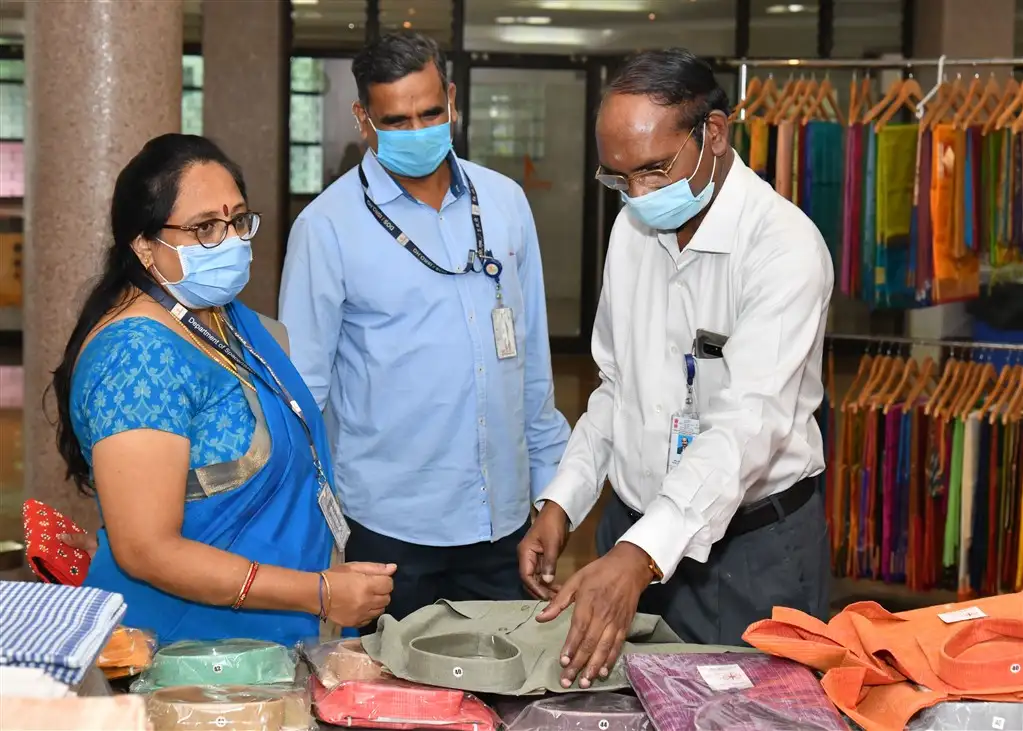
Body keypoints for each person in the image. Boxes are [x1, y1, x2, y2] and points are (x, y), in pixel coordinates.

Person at [519, 49, 833, 688]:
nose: (638, 195)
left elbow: (746, 427)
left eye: (655, 170)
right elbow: (614, 387)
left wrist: (640, 555)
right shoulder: (633, 231)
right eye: (619, 177)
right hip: (632, 531)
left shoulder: (785, 249)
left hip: (748, 554)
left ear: (713, 133)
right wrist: (563, 499)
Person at [50, 134, 395, 646]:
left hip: (265, 635)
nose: (231, 241)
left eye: (238, 220)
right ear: (144, 245)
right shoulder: (138, 356)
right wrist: (317, 592)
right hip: (184, 654)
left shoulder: (221, 318)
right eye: (205, 228)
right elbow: (147, 550)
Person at [280, 32, 569, 625]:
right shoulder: (326, 227)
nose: (418, 132)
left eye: (431, 113)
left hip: (503, 526)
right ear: (364, 118)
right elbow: (303, 396)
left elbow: (532, 366)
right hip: (389, 535)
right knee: (391, 703)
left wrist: (550, 497)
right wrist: (320, 536)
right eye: (397, 120)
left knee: (503, 702)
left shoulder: (507, 202)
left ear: (453, 101)